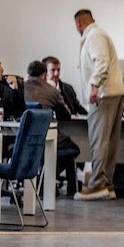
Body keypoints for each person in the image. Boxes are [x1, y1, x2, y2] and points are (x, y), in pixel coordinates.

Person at [74, 9, 124, 201]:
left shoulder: (94, 36)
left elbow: (101, 61)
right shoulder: (100, 34)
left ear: (79, 24)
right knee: (110, 142)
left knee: (99, 141)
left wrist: (94, 86)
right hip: (114, 92)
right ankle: (107, 185)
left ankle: (97, 183)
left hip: (103, 94)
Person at [25, 60, 83, 195]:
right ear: (44, 74)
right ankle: (46, 178)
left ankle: (42, 178)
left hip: (24, 139)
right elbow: (66, 115)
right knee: (73, 148)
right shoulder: (52, 91)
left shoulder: (20, 89)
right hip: (47, 137)